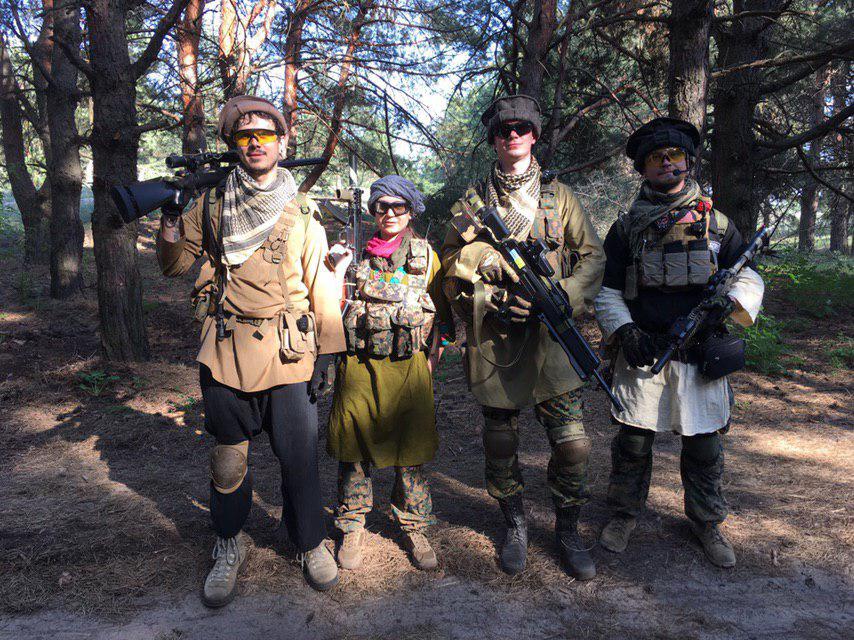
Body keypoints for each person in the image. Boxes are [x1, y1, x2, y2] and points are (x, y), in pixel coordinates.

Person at [157, 95, 345, 606]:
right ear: (235, 145)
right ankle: (228, 543)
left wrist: (328, 351)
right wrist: (171, 217)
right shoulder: (211, 204)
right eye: (245, 136)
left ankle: (309, 543)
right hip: (226, 348)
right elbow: (174, 266)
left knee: (299, 457)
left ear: (282, 144)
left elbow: (322, 283)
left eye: (265, 135)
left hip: (289, 351)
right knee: (228, 460)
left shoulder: (301, 209)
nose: (256, 143)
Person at [441, 95, 605, 580]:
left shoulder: (560, 197)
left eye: (521, 128)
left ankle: (567, 529)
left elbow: (592, 256)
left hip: (552, 336)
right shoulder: (472, 202)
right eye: (503, 129)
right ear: (494, 139)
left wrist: (562, 297)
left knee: (572, 445)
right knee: (500, 442)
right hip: (496, 339)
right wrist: (484, 267)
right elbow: (448, 260)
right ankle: (514, 525)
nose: (512, 135)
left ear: (534, 136)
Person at [594, 117, 765, 568]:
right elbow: (608, 291)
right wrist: (625, 331)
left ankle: (706, 522)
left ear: (688, 162)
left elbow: (747, 275)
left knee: (705, 446)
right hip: (644, 353)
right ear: (643, 168)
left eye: (674, 156)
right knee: (633, 442)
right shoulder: (626, 229)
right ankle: (624, 514)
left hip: (700, 354)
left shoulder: (717, 224)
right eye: (656, 158)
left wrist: (730, 303)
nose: (666, 163)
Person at [325, 175, 454, 571]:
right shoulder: (354, 255)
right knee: (353, 449)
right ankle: (352, 524)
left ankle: (414, 526)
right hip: (359, 366)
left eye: (399, 206)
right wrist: (336, 269)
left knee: (410, 451)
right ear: (373, 211)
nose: (391, 213)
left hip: (407, 366)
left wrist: (433, 359)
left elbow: (442, 314)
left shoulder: (426, 256)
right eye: (383, 206)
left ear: (410, 211)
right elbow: (334, 306)